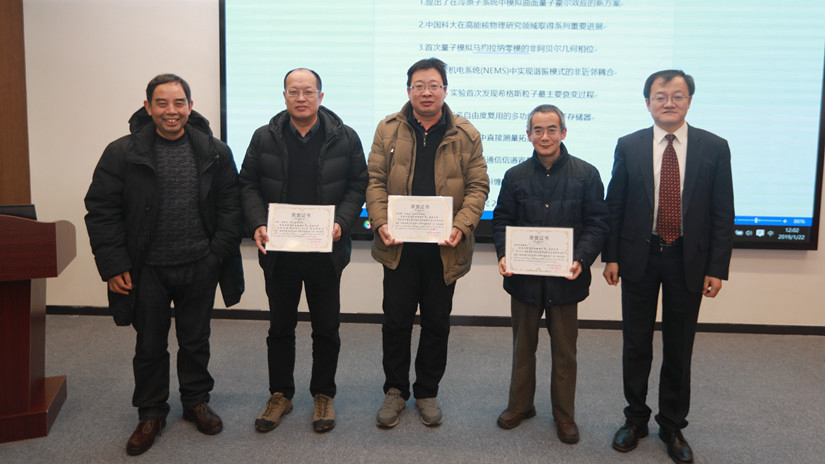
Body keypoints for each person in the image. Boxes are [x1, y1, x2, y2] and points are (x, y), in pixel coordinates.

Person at [84, 74, 244, 456]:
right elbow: (101, 210)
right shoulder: (121, 153)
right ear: (148, 107)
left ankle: (196, 402)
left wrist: (216, 255)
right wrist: (113, 265)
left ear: (190, 106)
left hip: (200, 265)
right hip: (146, 270)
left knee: (195, 340)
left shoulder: (216, 152)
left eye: (178, 103)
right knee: (149, 344)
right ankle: (151, 413)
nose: (171, 111)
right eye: (161, 103)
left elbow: (231, 206)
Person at [602, 70, 734, 464]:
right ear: (648, 103)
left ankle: (673, 425)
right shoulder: (629, 145)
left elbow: (723, 212)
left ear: (689, 100)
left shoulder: (715, 147)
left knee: (679, 345)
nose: (669, 102)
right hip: (639, 256)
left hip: (688, 259)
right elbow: (614, 205)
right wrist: (611, 256)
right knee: (636, 342)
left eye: (677, 95)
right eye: (660, 96)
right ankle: (635, 419)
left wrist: (717, 267)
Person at [238, 68, 367, 434]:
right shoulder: (264, 137)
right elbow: (247, 184)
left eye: (308, 91)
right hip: (280, 253)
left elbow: (358, 184)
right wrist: (256, 222)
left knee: (326, 328)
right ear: (284, 96)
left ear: (320, 97)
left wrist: (342, 220)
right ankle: (280, 393)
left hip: (326, 252)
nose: (301, 98)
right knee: (280, 327)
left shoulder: (345, 137)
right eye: (293, 91)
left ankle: (323, 394)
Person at [366, 57, 489, 428]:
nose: (426, 92)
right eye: (418, 85)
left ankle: (427, 392)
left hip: (444, 249)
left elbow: (478, 187)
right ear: (408, 90)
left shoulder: (466, 134)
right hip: (399, 247)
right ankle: (395, 390)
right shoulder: (388, 129)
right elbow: (374, 180)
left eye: (433, 85)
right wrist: (380, 221)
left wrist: (462, 226)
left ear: (445, 90)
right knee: (396, 322)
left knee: (437, 323)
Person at [492, 104, 609, 443]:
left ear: (563, 132)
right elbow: (502, 220)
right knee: (522, 347)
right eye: (538, 130)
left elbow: (597, 224)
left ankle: (564, 416)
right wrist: (503, 254)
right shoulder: (514, 176)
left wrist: (581, 258)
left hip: (566, 279)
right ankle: (520, 405)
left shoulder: (586, 174)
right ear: (528, 135)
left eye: (552, 129)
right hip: (523, 279)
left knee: (565, 352)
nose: (545, 136)